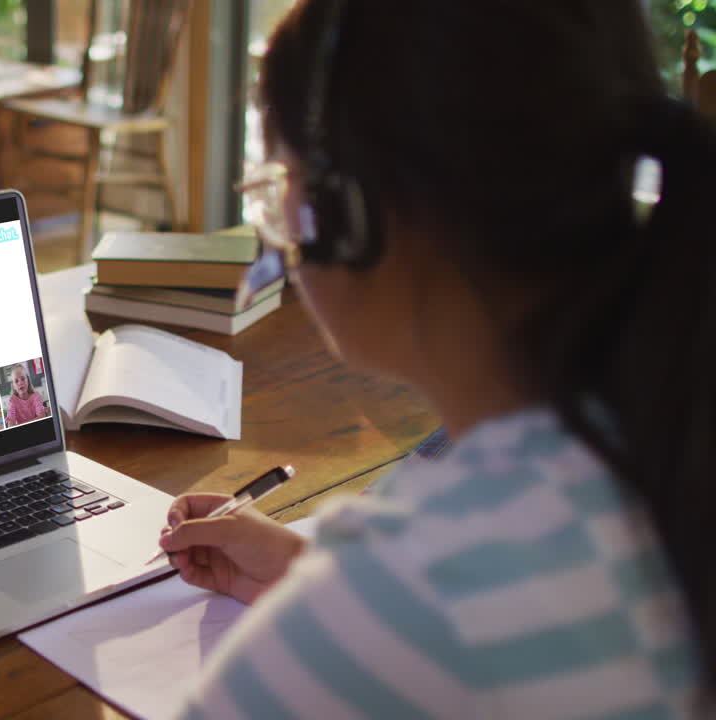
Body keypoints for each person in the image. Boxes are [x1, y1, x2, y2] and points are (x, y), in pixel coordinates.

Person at [157, 2, 712, 716]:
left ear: (352, 211)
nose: (282, 236)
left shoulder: (414, 591)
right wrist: (316, 579)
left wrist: (354, 613)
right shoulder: (662, 439)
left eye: (278, 186)